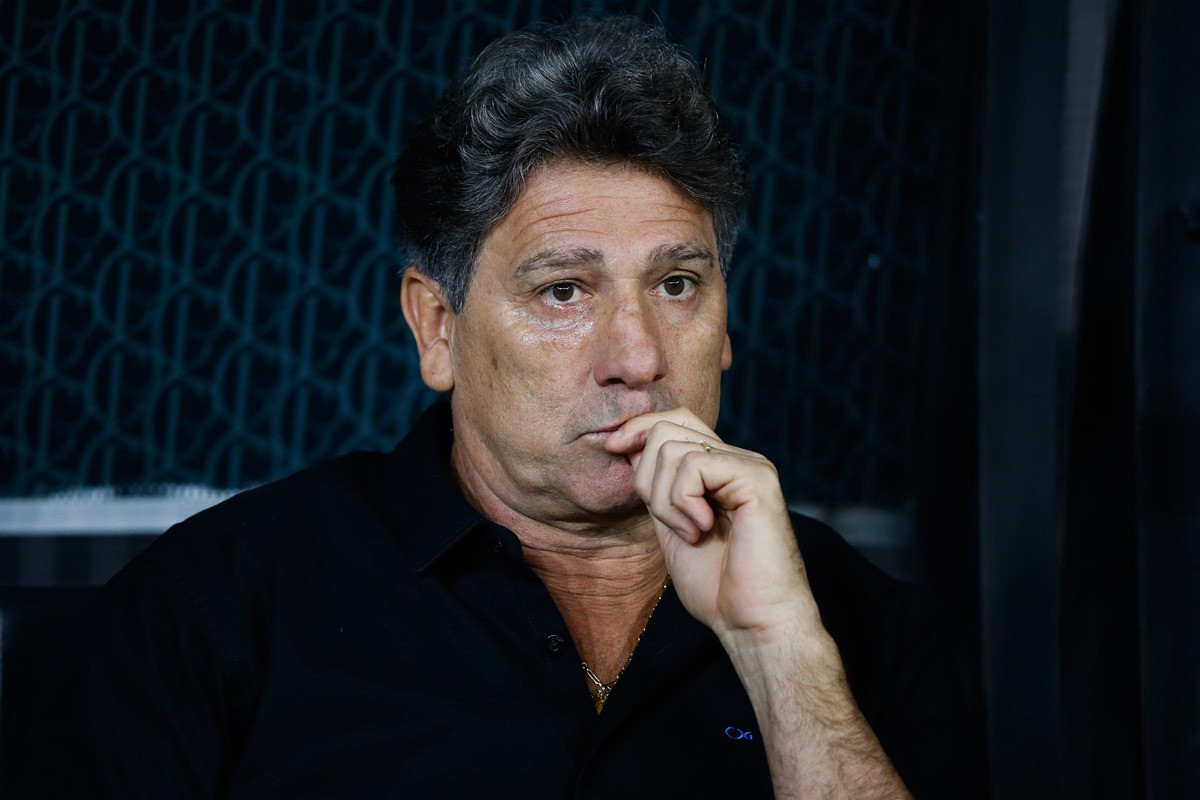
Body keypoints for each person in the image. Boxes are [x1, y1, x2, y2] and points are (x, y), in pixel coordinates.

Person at [48, 16, 968, 798]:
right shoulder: (209, 611)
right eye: (563, 292)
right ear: (437, 328)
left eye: (677, 284)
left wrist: (778, 651)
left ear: (725, 323)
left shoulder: (865, 628)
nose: (639, 357)